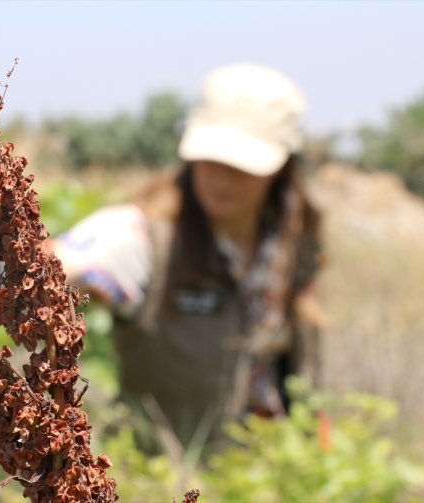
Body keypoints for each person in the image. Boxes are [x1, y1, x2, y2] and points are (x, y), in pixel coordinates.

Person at [53, 64, 323, 451]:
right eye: (211, 157)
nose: (222, 176)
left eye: (242, 165)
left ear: (282, 169)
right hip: (165, 481)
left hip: (268, 475)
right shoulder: (144, 237)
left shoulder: (291, 244)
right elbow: (68, 262)